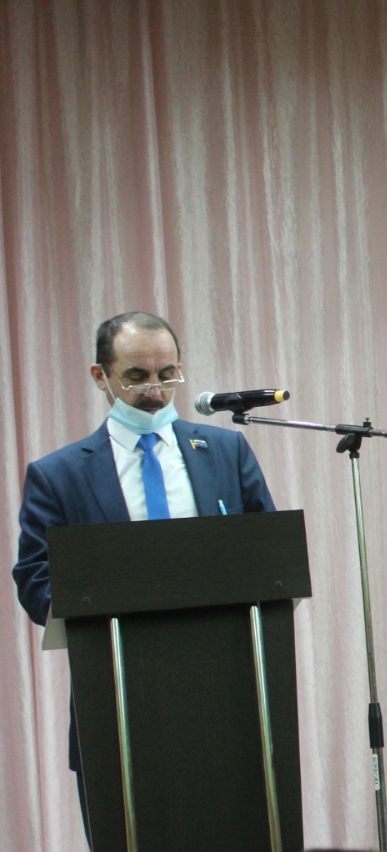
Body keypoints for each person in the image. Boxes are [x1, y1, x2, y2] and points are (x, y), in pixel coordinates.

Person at [13, 311, 275, 844]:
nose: (155, 391)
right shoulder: (59, 475)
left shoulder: (225, 452)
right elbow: (36, 580)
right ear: (100, 376)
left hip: (226, 692)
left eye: (167, 373)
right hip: (116, 696)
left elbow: (270, 556)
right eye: (136, 376)